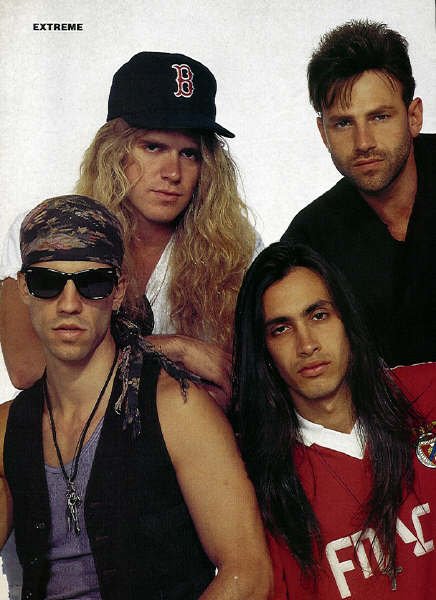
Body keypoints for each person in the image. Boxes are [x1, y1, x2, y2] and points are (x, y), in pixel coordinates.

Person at [0, 194, 272, 600]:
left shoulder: (177, 409)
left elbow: (248, 574)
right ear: (24, 288)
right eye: (47, 283)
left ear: (117, 291)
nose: (69, 304)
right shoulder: (8, 428)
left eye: (93, 284)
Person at [0, 51, 261, 396]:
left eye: (189, 153)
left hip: (189, 427)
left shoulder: (237, 246)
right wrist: (178, 348)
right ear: (114, 151)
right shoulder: (43, 228)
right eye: (153, 147)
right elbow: (27, 367)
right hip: (70, 429)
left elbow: (242, 379)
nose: (172, 173)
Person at [231, 241, 436, 599]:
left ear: (346, 321)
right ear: (264, 352)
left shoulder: (426, 392)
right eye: (281, 329)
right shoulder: (262, 485)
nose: (307, 344)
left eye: (318, 315)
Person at [281, 20, 436, 366]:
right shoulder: (309, 240)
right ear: (323, 132)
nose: (363, 142)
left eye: (379, 117)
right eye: (343, 123)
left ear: (413, 117)